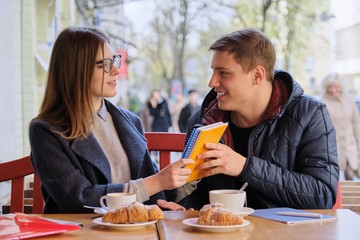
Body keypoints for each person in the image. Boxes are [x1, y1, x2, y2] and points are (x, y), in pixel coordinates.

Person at [28, 27, 195, 213]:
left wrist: (191, 175)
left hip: (136, 229)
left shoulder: (130, 121)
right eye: (104, 64)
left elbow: (152, 190)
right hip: (84, 232)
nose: (116, 70)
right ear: (76, 70)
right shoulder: (46, 131)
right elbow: (78, 198)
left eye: (114, 61)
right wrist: (156, 183)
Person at [179, 28, 339, 210]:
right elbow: (194, 195)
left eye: (223, 73)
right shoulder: (203, 120)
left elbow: (322, 194)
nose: (212, 82)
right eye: (213, 71)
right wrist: (182, 207)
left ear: (257, 75)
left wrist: (245, 167)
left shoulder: (310, 114)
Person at [321, 73, 360, 180]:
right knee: (334, 179)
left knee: (350, 174)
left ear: (341, 86)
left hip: (350, 146)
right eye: (330, 87)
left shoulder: (349, 100)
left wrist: (358, 145)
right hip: (332, 148)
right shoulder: (323, 102)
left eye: (336, 86)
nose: (333, 90)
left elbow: (356, 124)